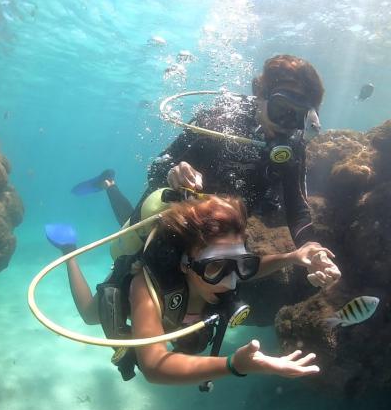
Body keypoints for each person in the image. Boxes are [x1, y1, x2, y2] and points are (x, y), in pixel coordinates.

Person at [73, 54, 341, 289]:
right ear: (261, 95)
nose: (287, 124)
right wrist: (174, 171)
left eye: (300, 116)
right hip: (172, 222)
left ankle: (110, 185)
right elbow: (157, 168)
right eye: (282, 109)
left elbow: (298, 208)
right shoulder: (219, 121)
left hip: (216, 238)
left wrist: (311, 247)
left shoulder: (294, 146)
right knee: (110, 291)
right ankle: (109, 184)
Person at [47, 194, 331, 385]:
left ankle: (111, 189)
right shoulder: (145, 289)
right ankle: (69, 251)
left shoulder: (220, 270)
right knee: (89, 315)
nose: (230, 281)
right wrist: (233, 365)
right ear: (185, 264)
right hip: (128, 288)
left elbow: (253, 267)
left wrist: (293, 257)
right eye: (215, 267)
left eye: (239, 265)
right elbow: (154, 366)